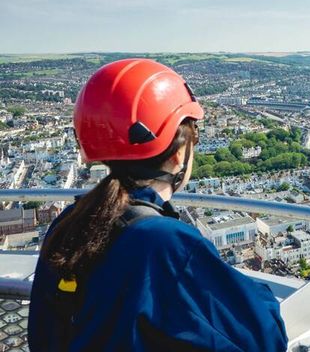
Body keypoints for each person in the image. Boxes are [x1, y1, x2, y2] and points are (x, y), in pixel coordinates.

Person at [29, 59, 287, 351]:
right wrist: (254, 293)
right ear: (179, 154)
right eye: (195, 137)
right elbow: (264, 339)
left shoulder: (68, 223)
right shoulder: (166, 242)